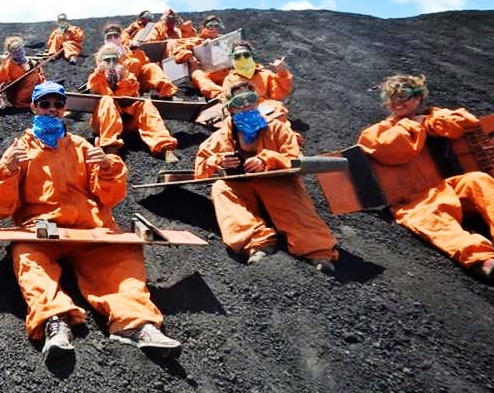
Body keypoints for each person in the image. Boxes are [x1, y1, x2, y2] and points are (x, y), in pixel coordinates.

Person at [0, 81, 182, 363]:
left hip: (89, 228)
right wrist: (6, 171)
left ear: (64, 109)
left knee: (121, 257)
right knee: (29, 257)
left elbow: (109, 197)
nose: (52, 110)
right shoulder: (19, 150)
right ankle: (56, 322)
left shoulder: (82, 146)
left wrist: (107, 168)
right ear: (33, 108)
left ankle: (138, 323)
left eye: (58, 104)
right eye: (45, 104)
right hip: (44, 230)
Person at [357, 74, 494, 283]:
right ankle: (483, 261)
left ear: (418, 98)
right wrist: (413, 124)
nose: (397, 101)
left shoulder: (433, 116)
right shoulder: (376, 131)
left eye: (403, 95)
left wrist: (432, 121)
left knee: (477, 179)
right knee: (433, 221)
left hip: (447, 187)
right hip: (414, 199)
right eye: (391, 96)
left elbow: (468, 122)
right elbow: (392, 150)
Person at [194, 81, 338, 272]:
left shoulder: (278, 128)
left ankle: (317, 250)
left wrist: (267, 159)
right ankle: (257, 242)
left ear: (257, 101)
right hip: (242, 187)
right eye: (239, 101)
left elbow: (295, 159)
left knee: (287, 193)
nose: (246, 105)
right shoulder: (222, 136)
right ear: (230, 107)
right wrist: (219, 161)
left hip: (276, 183)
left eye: (250, 99)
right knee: (220, 188)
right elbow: (200, 167)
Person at [87, 45, 178, 157]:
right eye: (107, 60)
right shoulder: (96, 77)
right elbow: (103, 93)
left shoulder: (128, 77)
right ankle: (110, 148)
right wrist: (107, 79)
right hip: (104, 124)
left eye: (114, 59)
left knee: (145, 104)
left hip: (126, 122)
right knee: (107, 100)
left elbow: (129, 97)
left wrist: (121, 80)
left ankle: (165, 147)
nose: (111, 63)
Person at [103, 24, 176, 99]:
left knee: (152, 66)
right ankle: (127, 94)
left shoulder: (130, 49)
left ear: (121, 36)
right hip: (120, 88)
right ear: (105, 39)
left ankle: (166, 92)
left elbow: (145, 64)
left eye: (116, 35)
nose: (113, 38)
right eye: (109, 36)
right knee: (134, 62)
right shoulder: (104, 53)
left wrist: (136, 51)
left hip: (138, 84)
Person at [219, 41, 293, 103]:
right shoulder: (229, 80)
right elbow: (226, 102)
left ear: (251, 56)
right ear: (233, 58)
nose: (242, 59)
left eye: (246, 55)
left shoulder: (266, 75)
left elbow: (280, 96)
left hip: (268, 111)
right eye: (237, 56)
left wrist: (282, 73)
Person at [0, 36, 45, 109]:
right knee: (32, 78)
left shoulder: (32, 62)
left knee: (35, 76)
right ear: (11, 53)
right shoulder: (8, 65)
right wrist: (3, 64)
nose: (19, 53)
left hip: (34, 92)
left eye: (20, 50)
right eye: (15, 52)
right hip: (17, 94)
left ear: (23, 49)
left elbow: (41, 77)